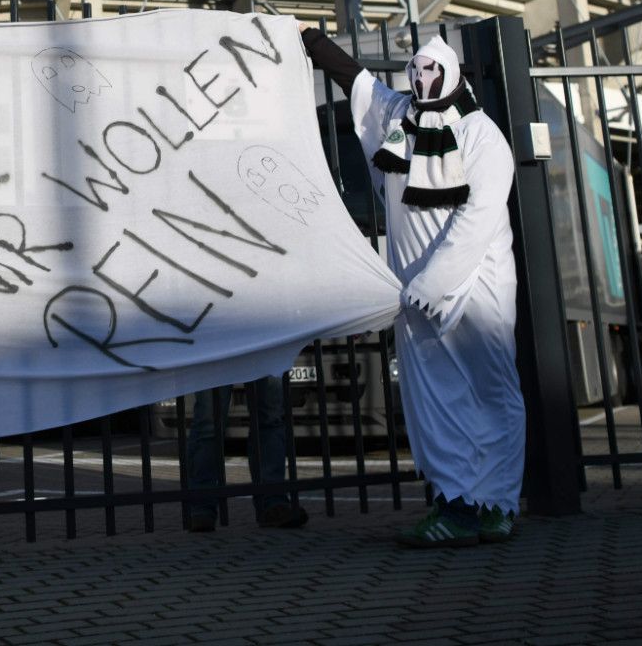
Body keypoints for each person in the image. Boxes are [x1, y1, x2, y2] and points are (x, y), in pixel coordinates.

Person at [303, 29, 524, 548]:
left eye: (431, 72)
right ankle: (457, 504)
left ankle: (499, 502)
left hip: (476, 289)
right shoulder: (398, 117)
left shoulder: (481, 136)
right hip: (415, 297)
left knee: (492, 393)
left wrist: (439, 279)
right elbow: (356, 83)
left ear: (449, 74)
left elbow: (479, 216)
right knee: (435, 400)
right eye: (416, 71)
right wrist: (309, 39)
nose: (422, 80)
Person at [182, 377, 306, 531]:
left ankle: (272, 502)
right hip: (223, 353)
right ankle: (201, 506)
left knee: (269, 416)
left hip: (250, 353)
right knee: (210, 420)